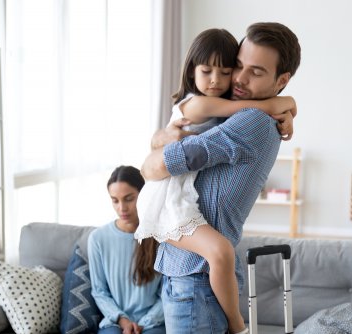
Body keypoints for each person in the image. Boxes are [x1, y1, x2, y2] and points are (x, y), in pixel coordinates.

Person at [141, 22, 301, 334]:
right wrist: (289, 104)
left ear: (282, 80)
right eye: (238, 66)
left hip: (196, 283)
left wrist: (150, 158)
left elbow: (158, 167)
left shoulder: (252, 120)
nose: (238, 78)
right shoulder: (233, 110)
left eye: (255, 72)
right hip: (190, 278)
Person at [88, 166, 165, 334]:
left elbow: (167, 291)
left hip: (154, 323)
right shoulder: (98, 239)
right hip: (115, 323)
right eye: (115, 200)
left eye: (129, 199)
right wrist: (123, 321)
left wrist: (144, 323)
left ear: (143, 195)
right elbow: (99, 291)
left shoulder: (161, 236)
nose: (121, 208)